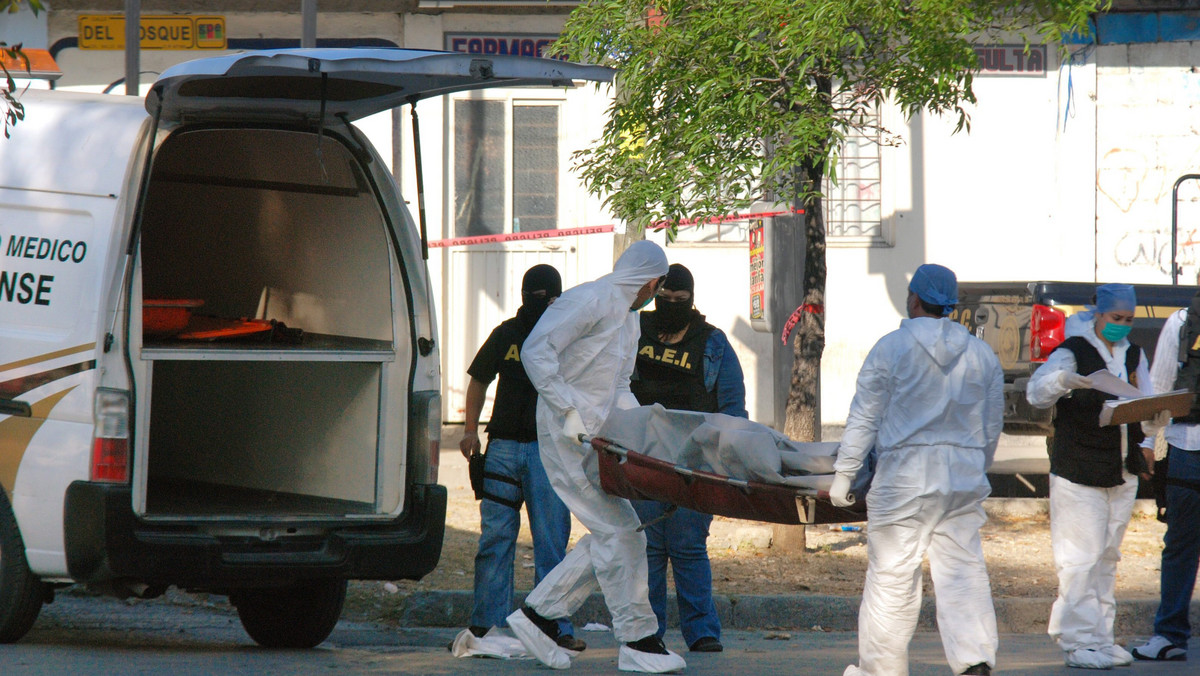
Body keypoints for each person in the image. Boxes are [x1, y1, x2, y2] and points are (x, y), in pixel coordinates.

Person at [505, 240, 687, 674]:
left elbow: (618, 385)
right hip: (564, 433)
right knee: (623, 532)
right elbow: (536, 351)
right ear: (649, 280)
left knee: (620, 532)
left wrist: (634, 432)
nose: (655, 294)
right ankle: (637, 639)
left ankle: (538, 616)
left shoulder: (628, 320)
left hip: (596, 438)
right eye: (657, 286)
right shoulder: (590, 299)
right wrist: (567, 409)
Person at [832, 263, 1002, 676]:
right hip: (962, 477)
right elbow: (990, 425)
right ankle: (975, 662)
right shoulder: (982, 355)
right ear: (951, 306)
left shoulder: (891, 348)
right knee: (963, 571)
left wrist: (844, 475)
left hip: (904, 477)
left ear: (913, 299)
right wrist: (977, 467)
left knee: (892, 576)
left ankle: (882, 670)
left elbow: (864, 419)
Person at [451, 264, 586, 658]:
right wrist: (469, 429)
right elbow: (478, 379)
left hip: (550, 452)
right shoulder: (506, 334)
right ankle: (487, 626)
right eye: (537, 297)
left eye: (549, 299)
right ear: (524, 296)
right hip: (504, 448)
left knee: (551, 543)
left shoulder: (571, 338)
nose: (542, 305)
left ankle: (554, 630)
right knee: (495, 539)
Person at [1026, 283, 1158, 670]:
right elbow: (1037, 393)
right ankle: (1076, 639)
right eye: (1116, 318)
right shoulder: (1072, 350)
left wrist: (1154, 423)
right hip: (1079, 470)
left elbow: (1146, 401)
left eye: (1129, 320)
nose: (1122, 326)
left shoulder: (1134, 354)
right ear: (1098, 313)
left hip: (1120, 469)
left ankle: (1101, 636)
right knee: (1079, 559)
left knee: (1107, 557)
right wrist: (1063, 381)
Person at [629, 263, 748, 655]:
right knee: (646, 548)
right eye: (665, 300)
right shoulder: (634, 331)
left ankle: (701, 632)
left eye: (681, 301)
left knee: (687, 546)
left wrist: (722, 460)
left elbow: (732, 408)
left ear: (692, 300)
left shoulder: (711, 343)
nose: (673, 306)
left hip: (693, 465)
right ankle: (649, 632)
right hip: (642, 458)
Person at [1130, 283, 1200, 663]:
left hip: (1188, 447)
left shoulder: (1183, 320)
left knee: (1181, 549)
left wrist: (1147, 442)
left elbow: (1159, 389)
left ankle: (1169, 636)